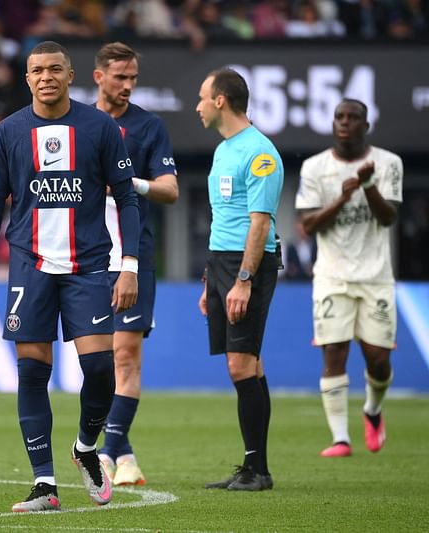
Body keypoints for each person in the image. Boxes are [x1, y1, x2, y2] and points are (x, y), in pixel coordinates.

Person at [0, 41, 140, 512]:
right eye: (37, 70)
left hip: (88, 267)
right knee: (32, 374)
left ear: (70, 74)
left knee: (100, 370)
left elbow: (128, 200)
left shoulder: (99, 127)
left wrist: (130, 267)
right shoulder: (8, 132)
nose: (46, 77)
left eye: (54, 69)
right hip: (29, 267)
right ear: (27, 78)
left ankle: (85, 448)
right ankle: (45, 485)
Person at [91, 42, 179, 486]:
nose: (127, 86)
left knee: (126, 356)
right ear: (98, 77)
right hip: (83, 258)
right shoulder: (77, 125)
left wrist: (130, 183)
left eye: (133, 78)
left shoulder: (148, 126)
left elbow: (170, 189)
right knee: (98, 363)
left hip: (132, 257)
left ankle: (106, 454)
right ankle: (124, 453)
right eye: (120, 77)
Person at [295, 98, 402, 458]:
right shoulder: (315, 167)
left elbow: (389, 218)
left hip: (376, 276)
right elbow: (308, 224)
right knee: (334, 354)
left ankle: (372, 409)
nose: (344, 123)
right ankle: (341, 438)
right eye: (339, 117)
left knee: (378, 360)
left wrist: (368, 185)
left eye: (353, 118)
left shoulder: (389, 164)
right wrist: (343, 197)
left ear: (365, 125)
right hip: (331, 276)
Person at [196, 68, 283, 491]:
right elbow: (223, 222)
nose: (196, 106)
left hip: (250, 264)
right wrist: (209, 281)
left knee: (240, 364)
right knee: (248, 363)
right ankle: (254, 468)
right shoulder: (223, 150)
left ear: (220, 101)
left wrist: (243, 280)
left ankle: (257, 471)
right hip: (222, 263)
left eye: (201, 97)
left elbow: (260, 224)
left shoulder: (260, 153)